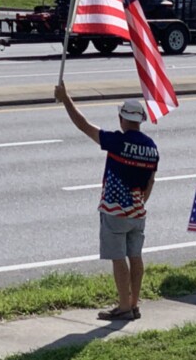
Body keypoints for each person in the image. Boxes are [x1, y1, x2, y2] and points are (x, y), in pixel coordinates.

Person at [55, 84, 158, 321]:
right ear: (140, 120)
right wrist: (140, 204)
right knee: (135, 256)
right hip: (138, 210)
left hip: (114, 211)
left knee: (118, 257)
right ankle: (134, 304)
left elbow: (83, 125)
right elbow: (150, 181)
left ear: (122, 118)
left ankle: (123, 306)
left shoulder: (116, 142)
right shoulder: (152, 148)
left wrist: (66, 98)